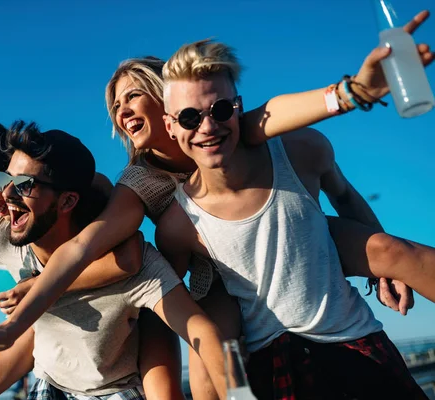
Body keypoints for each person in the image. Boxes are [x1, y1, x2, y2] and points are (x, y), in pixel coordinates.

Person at [0, 10, 435, 400]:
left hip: (290, 227)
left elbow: (278, 115)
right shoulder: (141, 181)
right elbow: (90, 245)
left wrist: (353, 91)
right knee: (207, 359)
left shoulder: (235, 127)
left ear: (166, 99)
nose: (122, 109)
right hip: (207, 267)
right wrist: (14, 317)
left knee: (391, 251)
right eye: (115, 106)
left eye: (133, 95)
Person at [153, 38, 428, 399]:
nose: (207, 127)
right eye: (190, 117)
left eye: (219, 110)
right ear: (170, 126)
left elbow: (344, 195)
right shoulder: (178, 224)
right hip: (276, 361)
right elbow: (182, 303)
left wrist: (385, 269)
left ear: (238, 108)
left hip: (356, 341)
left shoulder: (300, 151)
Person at [0, 121, 230, 399]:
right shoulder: (2, 235)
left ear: (67, 201)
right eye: (5, 180)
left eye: (23, 184)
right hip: (49, 387)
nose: (6, 194)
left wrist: (240, 393)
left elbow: (201, 331)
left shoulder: (131, 261)